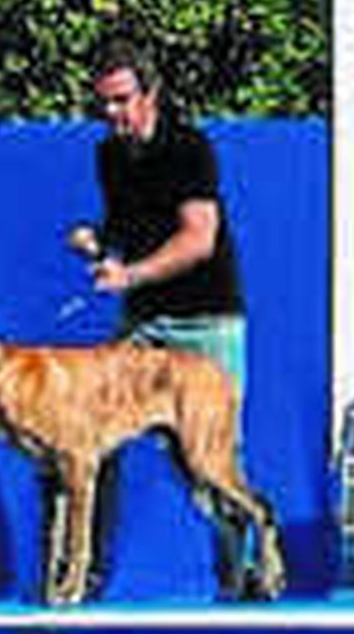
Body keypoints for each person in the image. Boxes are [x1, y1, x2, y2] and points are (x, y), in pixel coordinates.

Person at [70, 38, 252, 597]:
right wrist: (98, 240)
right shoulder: (109, 155)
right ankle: (84, 578)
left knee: (210, 463)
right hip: (144, 324)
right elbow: (127, 226)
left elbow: (199, 240)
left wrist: (129, 277)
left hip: (205, 324)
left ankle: (240, 580)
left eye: (122, 101)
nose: (113, 115)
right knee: (91, 439)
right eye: (104, 104)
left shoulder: (188, 147)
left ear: (152, 94)